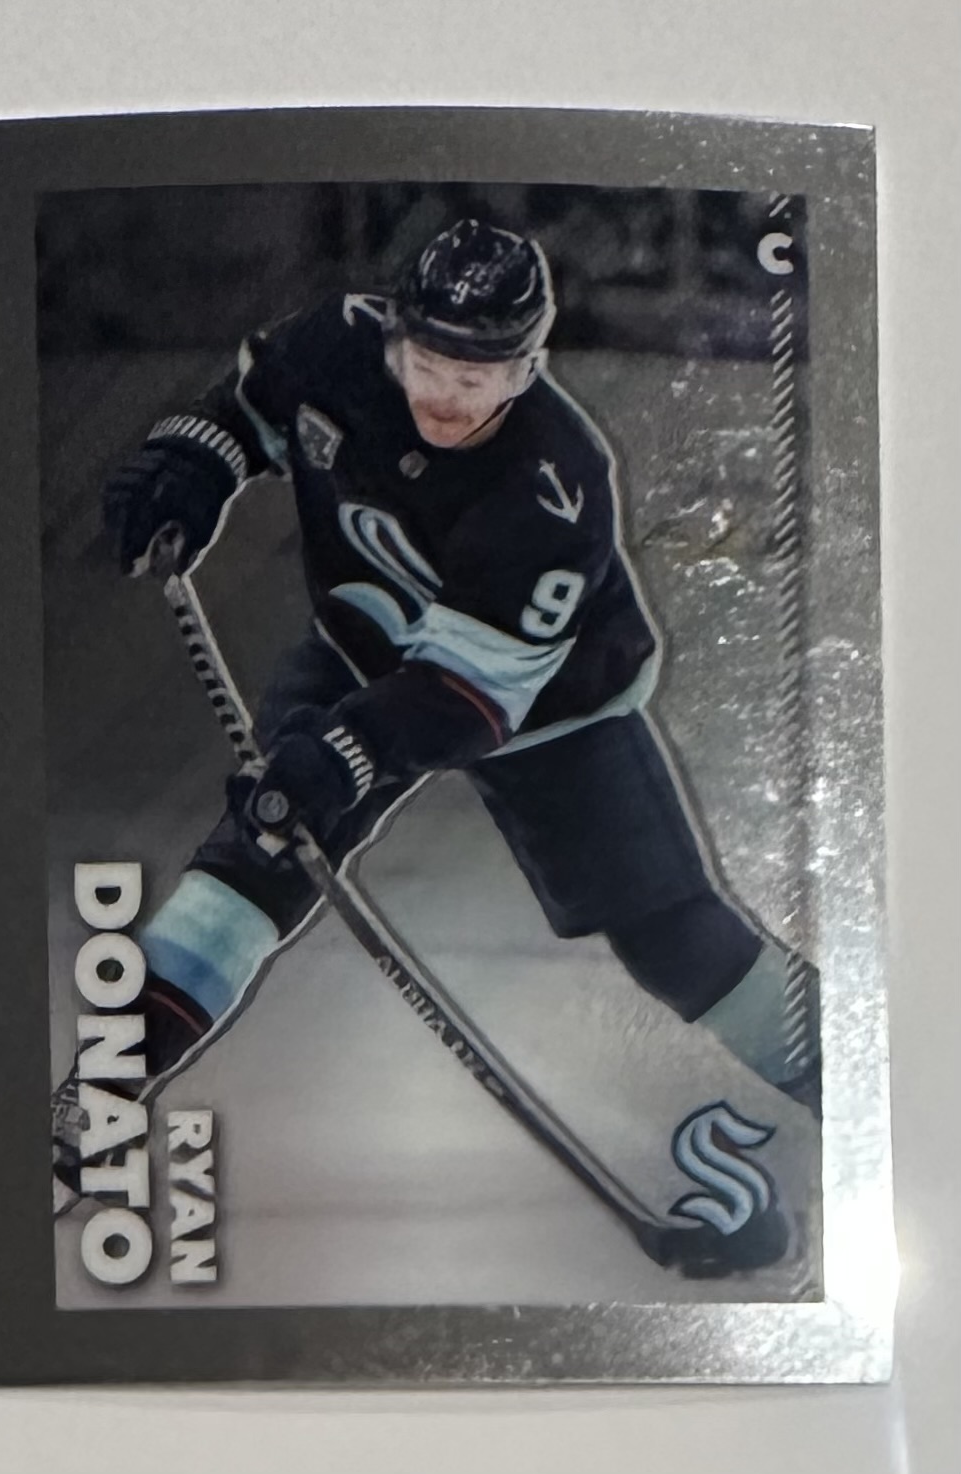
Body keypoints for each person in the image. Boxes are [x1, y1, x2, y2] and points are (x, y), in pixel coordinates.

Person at [53, 219, 819, 1267]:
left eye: (479, 375)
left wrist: (343, 756)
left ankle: (853, 1084)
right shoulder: (330, 345)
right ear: (393, 336)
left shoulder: (554, 481)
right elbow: (241, 415)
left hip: (549, 705)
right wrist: (189, 464)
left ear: (528, 365)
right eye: (427, 364)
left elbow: (470, 696)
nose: (447, 397)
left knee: (673, 940)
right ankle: (98, 1095)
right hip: (364, 647)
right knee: (258, 851)